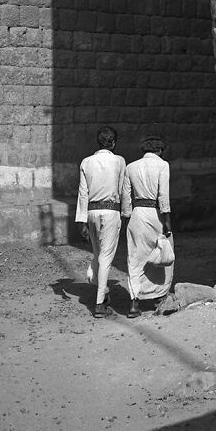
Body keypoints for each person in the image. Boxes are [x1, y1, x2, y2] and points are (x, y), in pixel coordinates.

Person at [75, 126, 126, 318]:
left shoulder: (86, 162)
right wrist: (127, 213)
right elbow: (123, 189)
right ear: (113, 143)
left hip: (92, 212)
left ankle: (101, 290)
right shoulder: (119, 161)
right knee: (105, 257)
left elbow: (83, 193)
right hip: (111, 211)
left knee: (98, 254)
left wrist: (81, 221)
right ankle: (99, 303)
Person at [121, 136, 172, 318]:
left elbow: (126, 197)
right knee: (159, 254)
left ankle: (134, 303)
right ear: (159, 150)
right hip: (155, 214)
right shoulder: (163, 165)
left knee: (134, 259)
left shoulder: (130, 167)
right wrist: (166, 220)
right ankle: (159, 296)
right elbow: (163, 196)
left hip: (137, 214)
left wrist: (127, 219)